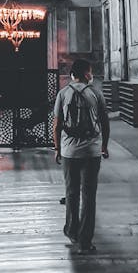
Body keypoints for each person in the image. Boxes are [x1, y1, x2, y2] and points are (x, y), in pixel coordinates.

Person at [52, 58, 109, 255]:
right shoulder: (96, 93)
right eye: (90, 72)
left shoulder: (63, 93)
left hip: (69, 152)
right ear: (86, 74)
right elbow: (104, 122)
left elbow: (57, 125)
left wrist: (58, 149)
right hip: (92, 151)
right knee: (89, 195)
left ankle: (71, 230)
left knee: (71, 193)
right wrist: (104, 146)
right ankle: (85, 241)